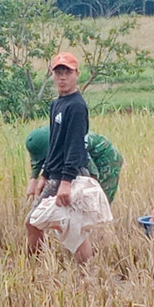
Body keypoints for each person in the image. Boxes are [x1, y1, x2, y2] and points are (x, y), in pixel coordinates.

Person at [26, 52, 94, 264]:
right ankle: (79, 268)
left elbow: (75, 146)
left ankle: (36, 266)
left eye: (67, 72)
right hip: (55, 173)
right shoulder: (57, 104)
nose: (62, 77)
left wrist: (65, 182)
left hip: (68, 176)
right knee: (69, 225)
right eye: (58, 73)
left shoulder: (76, 106)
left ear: (77, 75)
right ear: (52, 76)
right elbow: (55, 143)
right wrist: (44, 174)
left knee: (36, 223)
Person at [25, 125, 123, 203]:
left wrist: (87, 193)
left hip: (106, 158)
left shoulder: (72, 145)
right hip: (83, 153)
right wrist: (33, 179)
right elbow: (38, 161)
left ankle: (100, 225)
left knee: (99, 200)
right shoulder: (43, 137)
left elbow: (93, 175)